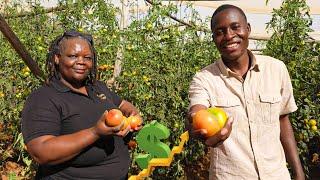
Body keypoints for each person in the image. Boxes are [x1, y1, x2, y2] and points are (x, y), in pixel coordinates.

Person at [187, 4, 305, 180]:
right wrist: (195, 124)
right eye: (220, 32)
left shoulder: (276, 69)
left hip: (276, 174)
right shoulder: (204, 78)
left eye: (235, 27)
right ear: (213, 39)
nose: (229, 36)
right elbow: (197, 110)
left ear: (247, 29)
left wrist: (298, 172)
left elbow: (283, 119)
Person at [21, 30, 142, 179]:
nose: (81, 61)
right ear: (57, 58)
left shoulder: (97, 87)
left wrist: (133, 115)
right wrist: (94, 132)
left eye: (87, 57)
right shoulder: (43, 98)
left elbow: (122, 103)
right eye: (73, 56)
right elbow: (40, 151)